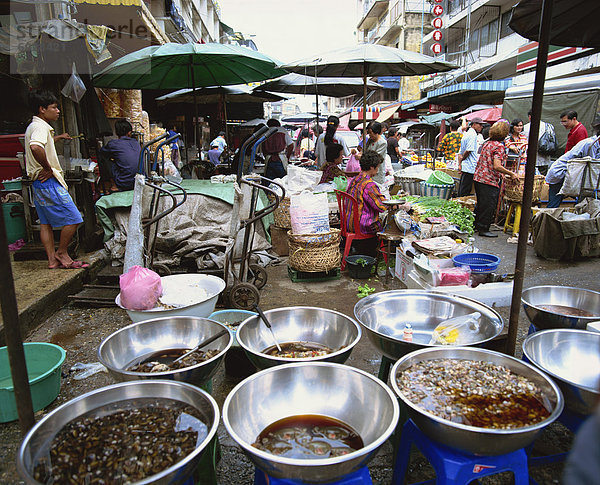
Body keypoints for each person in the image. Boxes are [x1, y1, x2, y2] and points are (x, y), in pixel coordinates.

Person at [24, 90, 86, 269]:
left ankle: (52, 260)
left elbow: (43, 143)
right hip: (48, 182)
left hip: (38, 183)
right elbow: (36, 147)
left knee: (46, 223)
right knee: (74, 218)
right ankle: (62, 252)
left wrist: (58, 137)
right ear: (42, 109)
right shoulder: (40, 127)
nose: (58, 111)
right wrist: (47, 168)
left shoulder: (35, 126)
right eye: (54, 107)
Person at [473, 121, 519, 237]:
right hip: (488, 179)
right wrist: (511, 173)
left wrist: (502, 174)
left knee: (481, 204)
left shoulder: (487, 143)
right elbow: (497, 165)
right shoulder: (499, 146)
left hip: (479, 177)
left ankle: (476, 226)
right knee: (488, 205)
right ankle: (484, 228)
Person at [546, 113, 600, 208]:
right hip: (561, 172)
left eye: (565, 121)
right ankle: (546, 221)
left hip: (571, 173)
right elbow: (592, 165)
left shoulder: (581, 132)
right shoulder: (590, 144)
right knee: (554, 204)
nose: (563, 124)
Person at [344, 150, 387, 257]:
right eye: (377, 167)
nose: (377, 170)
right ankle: (382, 253)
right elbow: (381, 206)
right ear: (372, 167)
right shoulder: (369, 185)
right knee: (387, 223)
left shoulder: (354, 180)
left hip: (348, 223)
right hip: (362, 226)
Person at [98, 119, 141, 192]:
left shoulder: (113, 144)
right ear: (129, 133)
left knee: (104, 158)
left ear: (116, 132)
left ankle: (113, 184)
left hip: (124, 183)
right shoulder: (136, 142)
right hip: (140, 181)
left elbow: (102, 153)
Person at [457, 117, 484, 196]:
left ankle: (460, 202)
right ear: (474, 124)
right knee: (465, 190)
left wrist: (460, 162)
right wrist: (462, 159)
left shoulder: (468, 133)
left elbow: (461, 151)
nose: (481, 127)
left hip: (467, 166)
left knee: (463, 188)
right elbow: (468, 150)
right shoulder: (472, 135)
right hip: (470, 166)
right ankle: (461, 205)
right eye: (480, 125)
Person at [523, 109, 553, 175]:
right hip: (544, 158)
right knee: (541, 180)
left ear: (529, 117)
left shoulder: (525, 128)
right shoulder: (548, 126)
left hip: (530, 160)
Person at [364, 121, 389, 189]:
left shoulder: (382, 143)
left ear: (376, 132)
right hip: (368, 171)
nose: (369, 135)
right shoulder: (370, 140)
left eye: (370, 133)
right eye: (368, 133)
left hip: (377, 172)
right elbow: (365, 151)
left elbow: (376, 157)